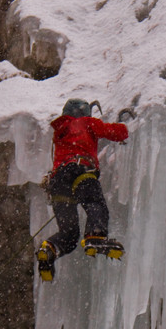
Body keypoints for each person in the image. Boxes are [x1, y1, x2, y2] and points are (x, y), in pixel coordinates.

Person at [37, 98, 129, 281]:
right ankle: (94, 235)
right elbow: (116, 133)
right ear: (84, 113)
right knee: (95, 203)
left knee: (69, 234)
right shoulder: (87, 123)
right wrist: (125, 127)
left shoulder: (60, 132)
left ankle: (49, 249)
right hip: (81, 170)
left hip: (59, 181)